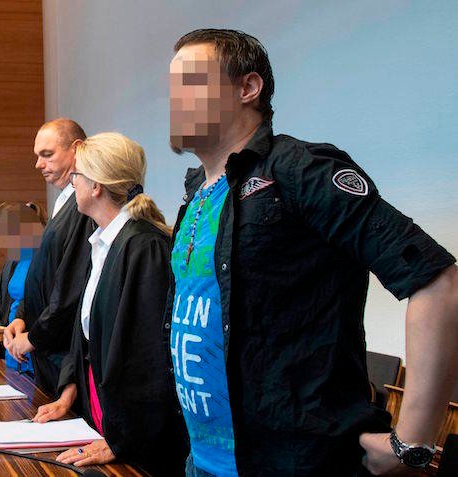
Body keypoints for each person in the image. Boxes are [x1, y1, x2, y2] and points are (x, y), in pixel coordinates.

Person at [167, 29, 457, 476]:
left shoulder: (301, 171)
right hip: (202, 461)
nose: (174, 98)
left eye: (190, 82)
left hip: (293, 462)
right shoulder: (196, 194)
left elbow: (437, 280)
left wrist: (412, 442)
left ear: (247, 88)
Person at [32, 132, 187, 476]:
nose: (72, 184)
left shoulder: (145, 248)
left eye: (76, 176)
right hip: (103, 419)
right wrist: (69, 393)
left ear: (96, 186)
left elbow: (149, 360)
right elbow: (85, 337)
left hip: (141, 445)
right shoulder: (103, 242)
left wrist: (123, 440)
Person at [3, 118, 94, 397]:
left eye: (47, 154)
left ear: (76, 150)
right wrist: (22, 318)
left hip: (62, 355)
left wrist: (34, 336)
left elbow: (70, 288)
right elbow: (44, 276)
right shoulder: (64, 200)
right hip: (46, 351)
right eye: (37, 156)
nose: (38, 164)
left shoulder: (82, 208)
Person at [0, 201, 47, 374]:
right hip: (11, 341)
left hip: (28, 343)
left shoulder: (41, 257)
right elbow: (7, 297)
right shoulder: (18, 259)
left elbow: (36, 299)